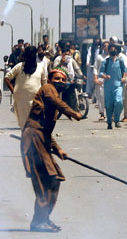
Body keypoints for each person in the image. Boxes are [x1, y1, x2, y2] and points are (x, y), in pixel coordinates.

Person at [21, 68, 83, 232]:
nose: (60, 82)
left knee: (54, 179)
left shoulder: (54, 94)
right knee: (45, 180)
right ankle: (38, 222)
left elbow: (46, 130)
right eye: (57, 79)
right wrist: (73, 113)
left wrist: (58, 149)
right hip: (34, 140)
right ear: (49, 79)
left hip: (42, 139)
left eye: (63, 80)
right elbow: (55, 103)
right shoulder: (48, 89)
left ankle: (44, 218)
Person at [5, 46, 48, 128]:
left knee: (36, 124)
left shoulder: (40, 68)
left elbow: (44, 84)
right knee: (24, 124)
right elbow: (7, 78)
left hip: (36, 100)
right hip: (21, 101)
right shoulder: (19, 67)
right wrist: (13, 91)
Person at [99, 44, 127, 129]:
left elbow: (124, 70)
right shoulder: (105, 61)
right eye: (111, 49)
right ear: (108, 51)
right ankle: (109, 122)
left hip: (118, 85)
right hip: (108, 87)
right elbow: (100, 73)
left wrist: (124, 77)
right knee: (109, 105)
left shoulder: (120, 61)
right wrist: (105, 76)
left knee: (119, 102)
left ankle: (117, 120)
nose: (113, 50)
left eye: (114, 49)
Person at [93, 42, 108, 121]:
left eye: (107, 46)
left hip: (109, 80)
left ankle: (110, 113)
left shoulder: (113, 57)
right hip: (100, 79)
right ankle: (102, 113)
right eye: (104, 46)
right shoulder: (99, 57)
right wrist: (95, 79)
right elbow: (95, 68)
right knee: (101, 97)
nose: (106, 47)